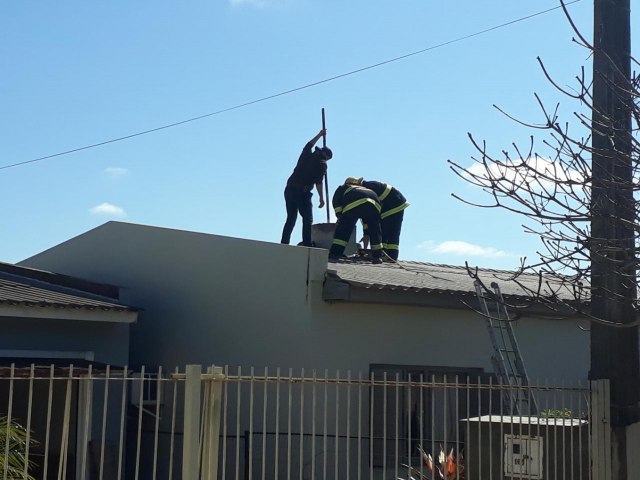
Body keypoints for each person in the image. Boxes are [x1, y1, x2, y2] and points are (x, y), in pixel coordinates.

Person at [280, 129, 332, 247]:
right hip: (302, 192)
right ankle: (307, 244)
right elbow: (319, 182)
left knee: (291, 218)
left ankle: (284, 243)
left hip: (289, 189)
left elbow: (309, 144)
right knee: (307, 219)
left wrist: (319, 134)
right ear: (326, 156)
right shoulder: (322, 164)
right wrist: (321, 198)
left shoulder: (306, 154)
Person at [344, 177, 409, 260]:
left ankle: (383, 254)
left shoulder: (365, 190)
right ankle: (392, 256)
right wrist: (366, 236)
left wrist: (367, 236)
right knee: (394, 232)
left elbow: (369, 216)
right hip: (399, 204)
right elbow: (367, 220)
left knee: (382, 231)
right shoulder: (369, 187)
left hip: (390, 206)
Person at [329, 181, 383, 263]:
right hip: (375, 203)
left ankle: (335, 253)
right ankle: (377, 257)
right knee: (374, 229)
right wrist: (366, 232)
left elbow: (336, 201)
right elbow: (366, 226)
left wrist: (340, 216)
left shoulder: (343, 187)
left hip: (355, 201)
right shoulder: (366, 188)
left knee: (344, 228)